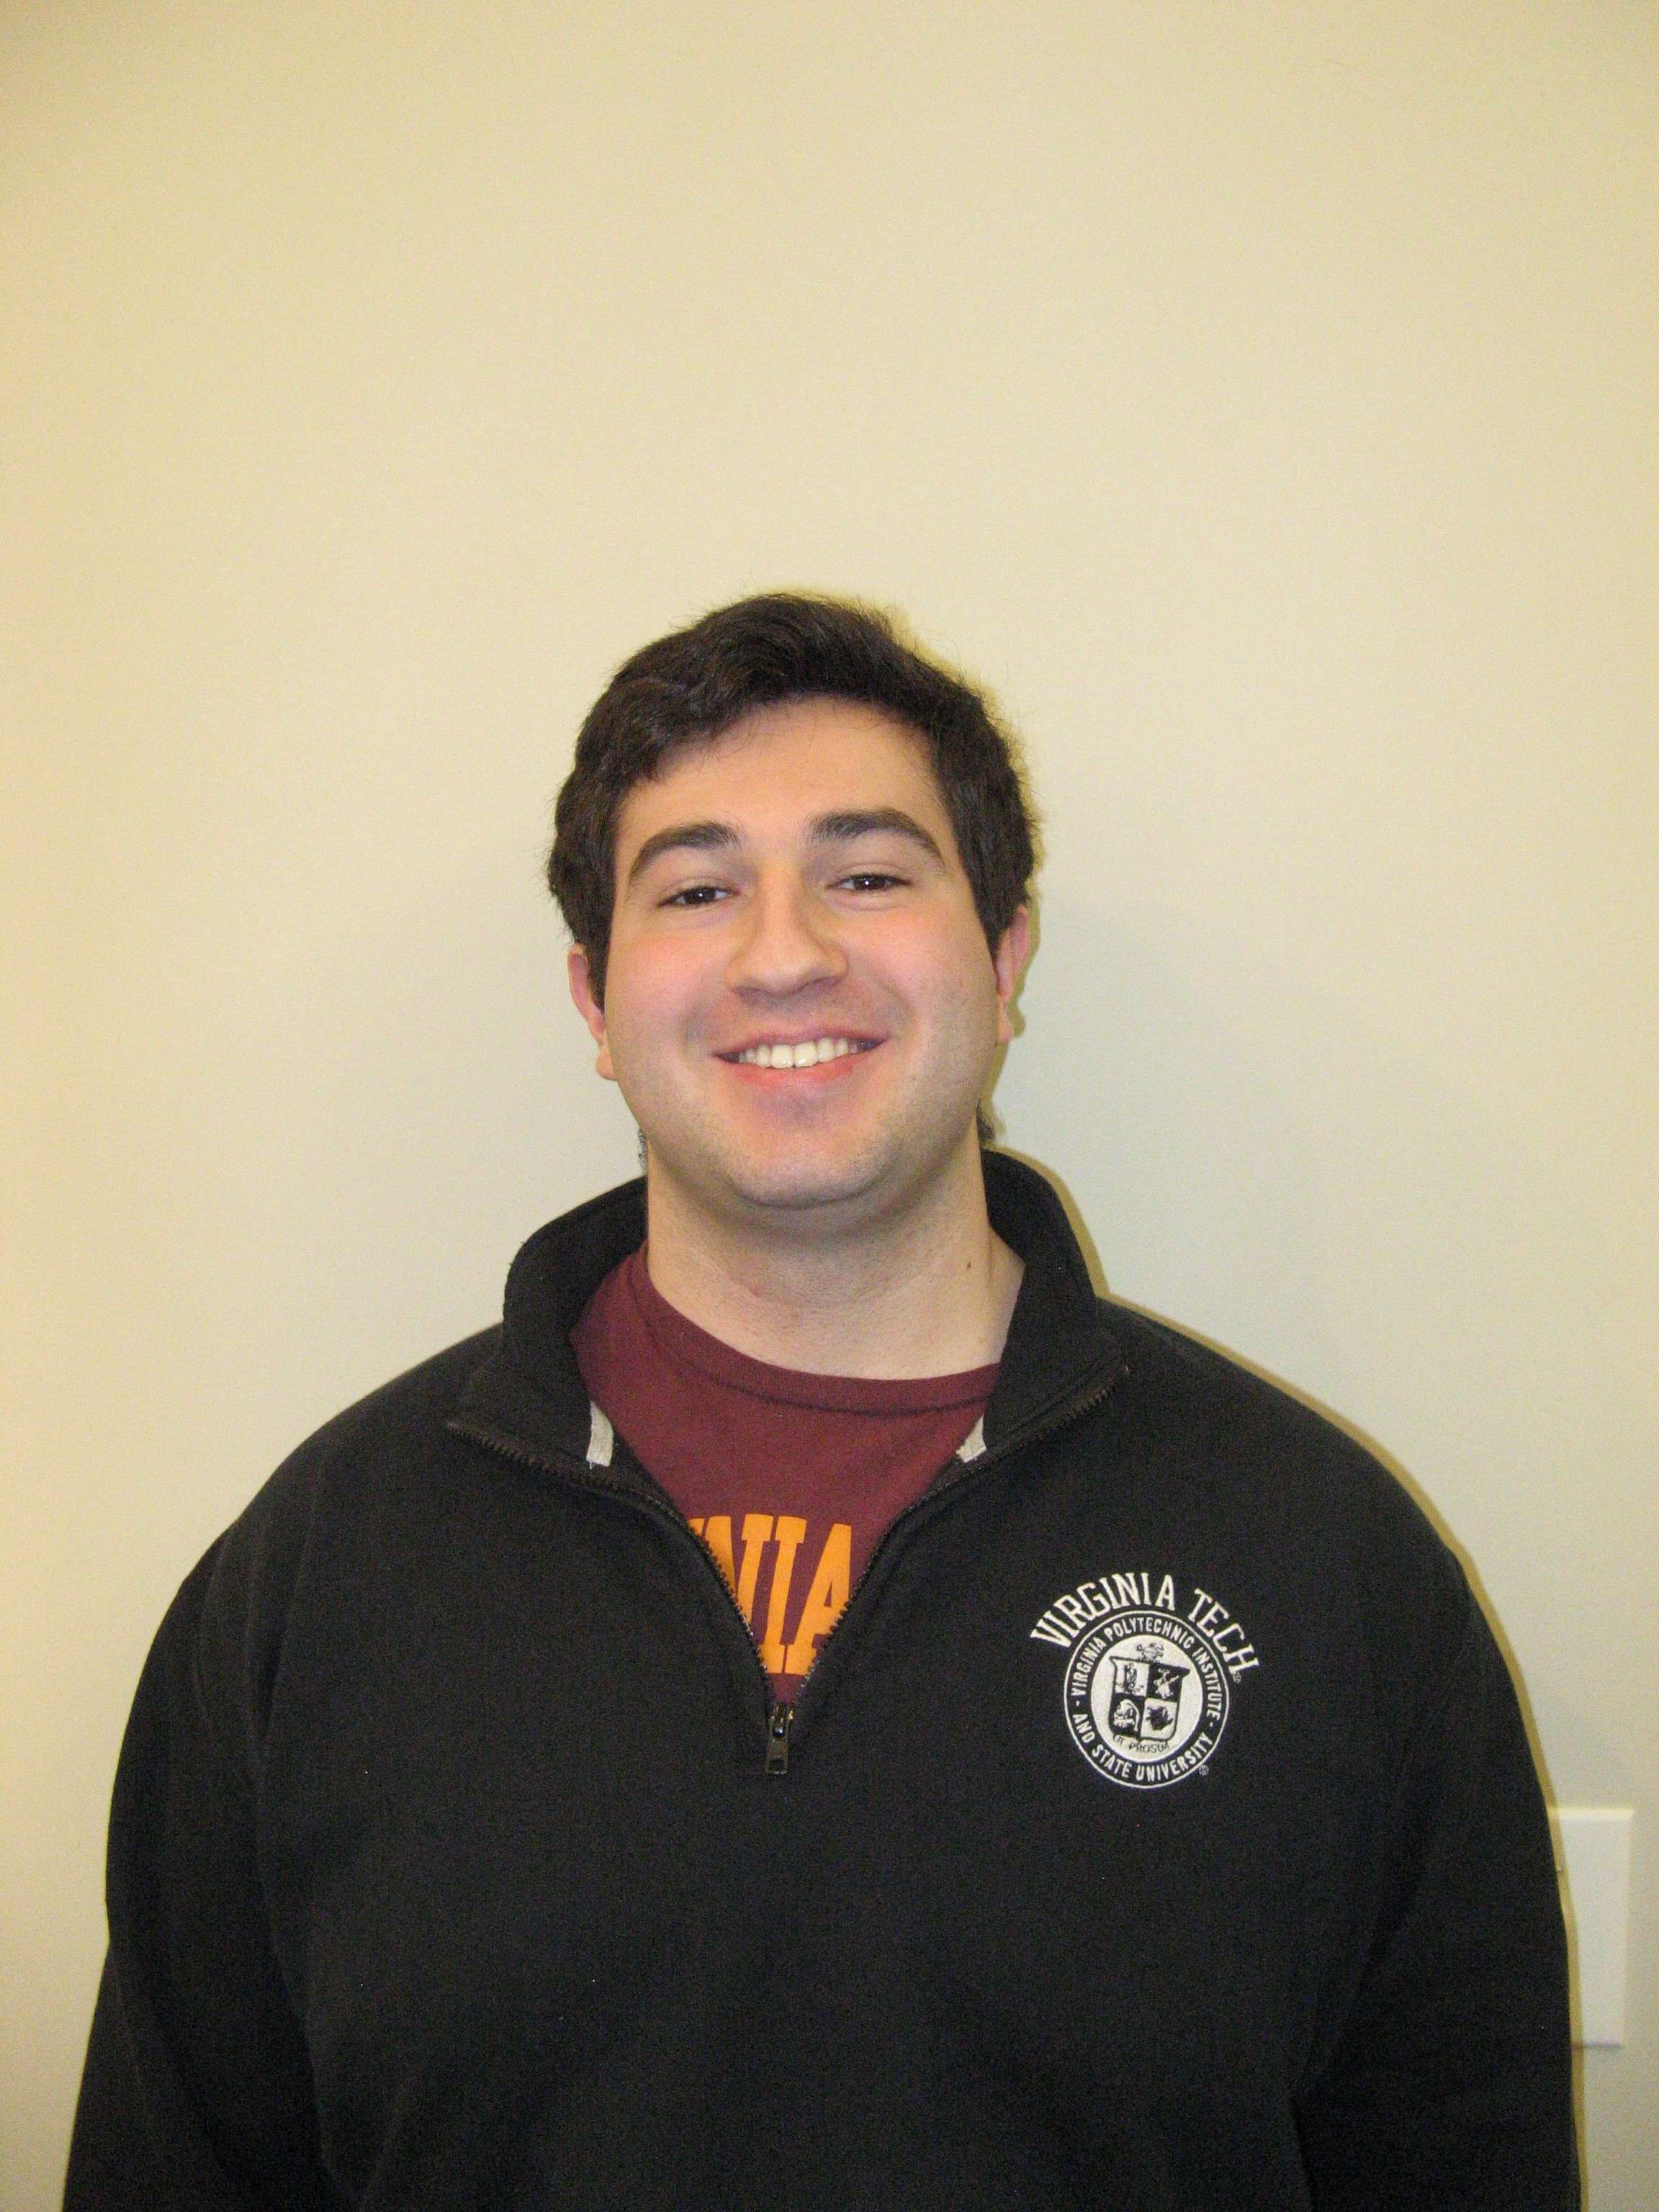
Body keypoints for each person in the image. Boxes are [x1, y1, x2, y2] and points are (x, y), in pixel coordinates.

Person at [66, 595, 1577, 2210]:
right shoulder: (317, 1577)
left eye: (866, 875)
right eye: (696, 889)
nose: (784, 953)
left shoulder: (1326, 1562)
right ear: (596, 1003)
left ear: (1004, 960)